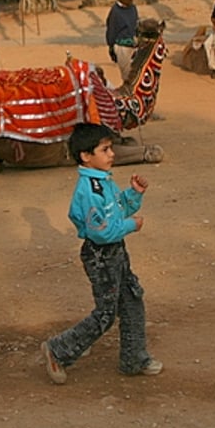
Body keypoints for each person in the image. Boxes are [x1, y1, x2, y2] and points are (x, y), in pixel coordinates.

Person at [40, 122, 162, 385]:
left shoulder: (102, 182)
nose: (112, 154)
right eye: (105, 149)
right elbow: (103, 232)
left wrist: (133, 195)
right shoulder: (90, 191)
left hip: (114, 252)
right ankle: (59, 349)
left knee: (131, 299)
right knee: (106, 314)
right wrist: (132, 225)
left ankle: (133, 358)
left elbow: (116, 210)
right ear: (86, 155)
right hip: (102, 255)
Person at [105, 0, 139, 84]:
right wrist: (111, 48)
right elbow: (111, 32)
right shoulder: (115, 12)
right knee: (129, 78)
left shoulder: (133, 8)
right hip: (122, 48)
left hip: (135, 46)